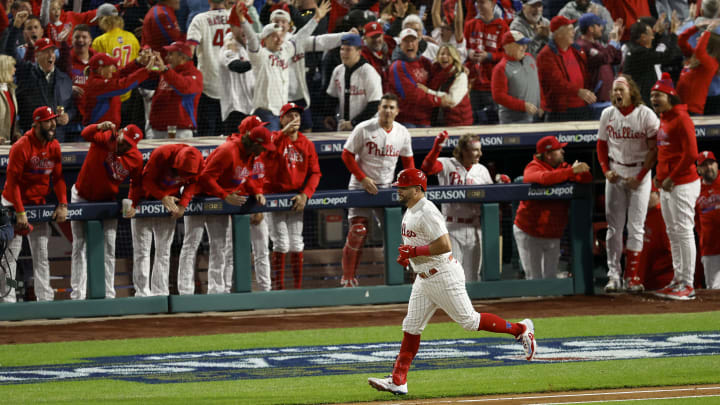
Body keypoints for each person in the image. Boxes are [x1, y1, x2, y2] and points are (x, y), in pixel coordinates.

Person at [366, 168, 536, 396]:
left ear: (417, 190)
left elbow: (445, 244)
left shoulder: (427, 211)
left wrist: (414, 250)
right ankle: (398, 380)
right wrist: (409, 255)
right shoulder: (411, 210)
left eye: (404, 188)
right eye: (399, 187)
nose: (400, 190)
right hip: (424, 278)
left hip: (443, 275)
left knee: (470, 321)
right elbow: (419, 244)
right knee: (411, 327)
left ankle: (521, 329)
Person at [181, 123, 271, 294]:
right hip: (199, 198)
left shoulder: (250, 154)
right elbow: (205, 177)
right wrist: (225, 195)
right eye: (264, 147)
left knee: (219, 246)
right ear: (255, 143)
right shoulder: (228, 150)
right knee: (191, 244)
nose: (265, 150)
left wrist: (256, 191)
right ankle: (185, 291)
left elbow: (246, 177)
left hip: (218, 200)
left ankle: (217, 290)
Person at [340, 93, 414, 287]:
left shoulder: (402, 132)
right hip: (361, 185)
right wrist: (363, 178)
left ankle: (402, 275)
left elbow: (408, 163)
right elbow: (347, 155)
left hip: (387, 187)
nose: (387, 110)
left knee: (397, 233)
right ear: (378, 109)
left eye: (391, 107)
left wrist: (407, 183)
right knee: (358, 230)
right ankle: (348, 278)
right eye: (384, 107)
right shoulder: (363, 128)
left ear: (397, 112)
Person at [596, 75, 659, 293]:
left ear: (631, 91)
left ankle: (632, 277)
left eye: (621, 89)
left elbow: (654, 149)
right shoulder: (607, 114)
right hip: (616, 172)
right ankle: (614, 276)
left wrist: (641, 176)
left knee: (636, 227)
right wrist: (606, 171)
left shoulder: (646, 114)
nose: (617, 94)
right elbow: (601, 146)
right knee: (613, 228)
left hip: (639, 172)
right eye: (614, 90)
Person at [70, 121, 144, 300]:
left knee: (109, 248)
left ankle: (109, 294)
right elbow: (86, 134)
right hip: (82, 195)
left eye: (128, 145)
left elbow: (137, 183)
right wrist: (98, 126)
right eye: (122, 140)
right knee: (79, 246)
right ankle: (78, 295)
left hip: (107, 201)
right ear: (119, 133)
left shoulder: (135, 158)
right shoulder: (106, 136)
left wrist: (133, 203)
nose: (123, 145)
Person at [1, 106, 68, 303]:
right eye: (48, 121)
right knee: (10, 257)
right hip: (13, 205)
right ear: (37, 123)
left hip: (38, 205)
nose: (53, 124)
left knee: (41, 253)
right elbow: (12, 183)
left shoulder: (54, 146)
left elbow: (58, 179)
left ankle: (45, 299)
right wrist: (20, 212)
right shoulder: (21, 146)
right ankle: (8, 300)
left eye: (54, 120)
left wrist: (63, 203)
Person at [126, 144, 204, 297]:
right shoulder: (162, 154)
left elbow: (192, 183)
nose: (183, 176)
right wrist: (162, 197)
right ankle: (142, 294)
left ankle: (160, 293)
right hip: (143, 201)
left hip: (169, 206)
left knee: (164, 251)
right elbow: (146, 181)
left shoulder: (198, 160)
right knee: (142, 251)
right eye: (182, 172)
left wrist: (183, 205)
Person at [237, 0, 328, 131]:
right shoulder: (259, 55)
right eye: (274, 36)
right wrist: (242, 20)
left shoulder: (286, 50)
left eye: (280, 36)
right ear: (265, 39)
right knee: (271, 145)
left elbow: (302, 35)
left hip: (281, 111)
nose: (279, 39)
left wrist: (316, 18)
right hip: (265, 111)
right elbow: (251, 39)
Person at [650, 73, 701, 300]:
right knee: (673, 233)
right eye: (652, 95)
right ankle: (678, 279)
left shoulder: (682, 117)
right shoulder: (664, 117)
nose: (654, 98)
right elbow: (665, 152)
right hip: (668, 184)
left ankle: (687, 284)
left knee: (683, 231)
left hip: (682, 183)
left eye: (658, 95)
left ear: (670, 95)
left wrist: (672, 176)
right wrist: (660, 176)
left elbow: (692, 153)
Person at [514, 136, 592, 280]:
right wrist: (571, 172)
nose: (562, 151)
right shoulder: (532, 166)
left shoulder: (563, 167)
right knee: (534, 278)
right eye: (558, 149)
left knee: (550, 278)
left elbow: (587, 178)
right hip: (529, 232)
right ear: (548, 154)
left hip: (552, 233)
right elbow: (544, 178)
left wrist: (579, 171)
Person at [421, 132, 494, 281]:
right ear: (463, 151)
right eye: (475, 149)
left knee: (473, 276)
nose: (480, 153)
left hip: (475, 227)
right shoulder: (447, 163)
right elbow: (427, 168)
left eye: (480, 149)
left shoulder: (482, 170)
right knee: (451, 275)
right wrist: (437, 146)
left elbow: (492, 198)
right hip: (451, 226)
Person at [265, 103, 321, 290]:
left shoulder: (307, 144)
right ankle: (278, 289)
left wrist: (306, 194)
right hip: (274, 196)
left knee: (296, 243)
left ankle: (297, 290)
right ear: (281, 120)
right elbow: (266, 153)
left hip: (296, 197)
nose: (294, 119)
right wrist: (283, 133)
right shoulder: (274, 137)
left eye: (296, 116)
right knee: (281, 243)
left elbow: (315, 173)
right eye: (289, 116)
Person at [9, 34, 75, 142]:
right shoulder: (26, 73)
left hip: (57, 138)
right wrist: (15, 28)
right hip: (32, 136)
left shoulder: (64, 79)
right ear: (36, 55)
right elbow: (10, 51)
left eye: (53, 51)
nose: (51, 55)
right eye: (46, 52)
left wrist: (68, 116)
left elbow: (72, 107)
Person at [536, 15, 596, 122]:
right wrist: (578, 91)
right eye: (570, 30)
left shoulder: (577, 50)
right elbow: (556, 82)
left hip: (582, 107)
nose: (574, 32)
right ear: (558, 34)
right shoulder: (545, 55)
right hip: (560, 111)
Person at [388, 28, 448, 128]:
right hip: (406, 120)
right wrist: (437, 100)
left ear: (418, 42)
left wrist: (457, 69)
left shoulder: (424, 61)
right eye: (406, 41)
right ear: (400, 44)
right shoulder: (397, 66)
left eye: (413, 40)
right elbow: (412, 95)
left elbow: (437, 77)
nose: (410, 44)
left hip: (425, 118)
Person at [186, 0, 230, 137]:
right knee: (230, 138)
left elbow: (189, 51)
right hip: (233, 86)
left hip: (208, 83)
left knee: (207, 137)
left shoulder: (200, 19)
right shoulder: (236, 18)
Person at [463, 0, 508, 124]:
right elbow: (460, 49)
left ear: (493, 4)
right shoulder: (470, 25)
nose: (478, 6)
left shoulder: (502, 26)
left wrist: (489, 56)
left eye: (482, 2)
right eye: (477, 3)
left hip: (492, 84)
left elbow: (507, 54)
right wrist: (468, 53)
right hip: (472, 84)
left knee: (493, 122)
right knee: (472, 122)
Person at [325, 33, 382, 131]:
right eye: (342, 49)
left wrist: (354, 122)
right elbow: (332, 97)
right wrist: (329, 114)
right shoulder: (338, 71)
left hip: (367, 127)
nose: (343, 53)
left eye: (348, 50)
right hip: (344, 126)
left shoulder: (368, 72)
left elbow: (375, 104)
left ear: (359, 52)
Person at [81, 52, 155, 126]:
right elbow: (123, 86)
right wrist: (145, 71)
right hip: (97, 130)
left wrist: (137, 61)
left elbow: (122, 73)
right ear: (101, 69)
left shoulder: (102, 77)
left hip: (106, 129)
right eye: (111, 66)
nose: (113, 68)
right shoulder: (96, 84)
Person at [148, 41, 203, 139]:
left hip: (180, 130)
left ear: (182, 58)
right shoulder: (167, 70)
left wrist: (165, 70)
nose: (166, 57)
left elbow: (183, 87)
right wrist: (146, 62)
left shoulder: (195, 74)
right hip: (158, 128)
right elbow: (149, 73)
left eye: (171, 54)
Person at [621, 20, 682, 106]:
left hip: (639, 95)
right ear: (643, 37)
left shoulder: (634, 48)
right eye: (651, 34)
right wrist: (673, 34)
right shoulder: (639, 53)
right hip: (641, 98)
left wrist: (659, 34)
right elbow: (667, 56)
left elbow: (649, 49)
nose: (652, 37)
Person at [491, 30, 542, 124]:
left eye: (525, 44)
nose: (525, 47)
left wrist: (542, 103)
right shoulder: (501, 68)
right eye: (521, 44)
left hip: (535, 117)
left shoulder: (529, 58)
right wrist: (523, 106)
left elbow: (537, 83)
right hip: (513, 121)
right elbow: (498, 96)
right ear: (508, 46)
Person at [218, 10, 255, 135]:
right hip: (234, 110)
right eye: (240, 25)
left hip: (251, 107)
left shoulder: (250, 46)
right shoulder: (227, 48)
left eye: (246, 25)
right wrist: (259, 61)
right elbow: (238, 66)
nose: (244, 29)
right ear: (232, 27)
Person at [575, 13, 623, 107]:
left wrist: (616, 40)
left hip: (607, 96)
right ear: (591, 29)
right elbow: (604, 58)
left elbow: (615, 59)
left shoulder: (596, 44)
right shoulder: (582, 46)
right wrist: (612, 41)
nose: (602, 28)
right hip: (596, 98)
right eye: (599, 25)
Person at [422, 44, 473, 127]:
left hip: (459, 122)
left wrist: (428, 91)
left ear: (454, 57)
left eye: (449, 54)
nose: (444, 56)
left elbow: (452, 100)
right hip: (440, 120)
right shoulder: (435, 71)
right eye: (442, 54)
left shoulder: (460, 75)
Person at [676, 21, 720, 116]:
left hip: (692, 109)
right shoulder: (693, 55)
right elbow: (681, 40)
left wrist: (707, 31)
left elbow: (700, 51)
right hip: (679, 105)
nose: (697, 38)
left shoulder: (711, 64)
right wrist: (695, 27)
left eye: (701, 37)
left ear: (709, 45)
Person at [637, 186, 674, 291]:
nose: (646, 196)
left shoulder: (664, 215)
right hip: (645, 279)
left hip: (662, 280)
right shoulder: (641, 215)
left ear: (658, 194)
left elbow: (671, 251)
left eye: (650, 192)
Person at [695, 151, 720, 289]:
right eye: (704, 165)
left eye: (711, 163)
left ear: (716, 164)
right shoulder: (694, 188)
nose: (709, 167)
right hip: (710, 248)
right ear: (699, 169)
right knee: (715, 290)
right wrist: (704, 235)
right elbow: (694, 219)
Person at [0, 54, 19, 144]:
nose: (15, 70)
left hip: (8, 144)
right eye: (12, 67)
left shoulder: (11, 91)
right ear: (5, 69)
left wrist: (16, 134)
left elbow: (12, 118)